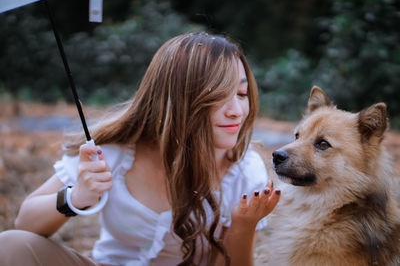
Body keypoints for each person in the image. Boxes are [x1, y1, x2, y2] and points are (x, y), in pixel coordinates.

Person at [0, 32, 280, 266]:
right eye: (219, 96)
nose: (236, 111)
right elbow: (25, 226)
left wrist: (243, 226)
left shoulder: (244, 170)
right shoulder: (115, 152)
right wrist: (77, 197)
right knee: (12, 245)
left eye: (242, 94)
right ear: (178, 98)